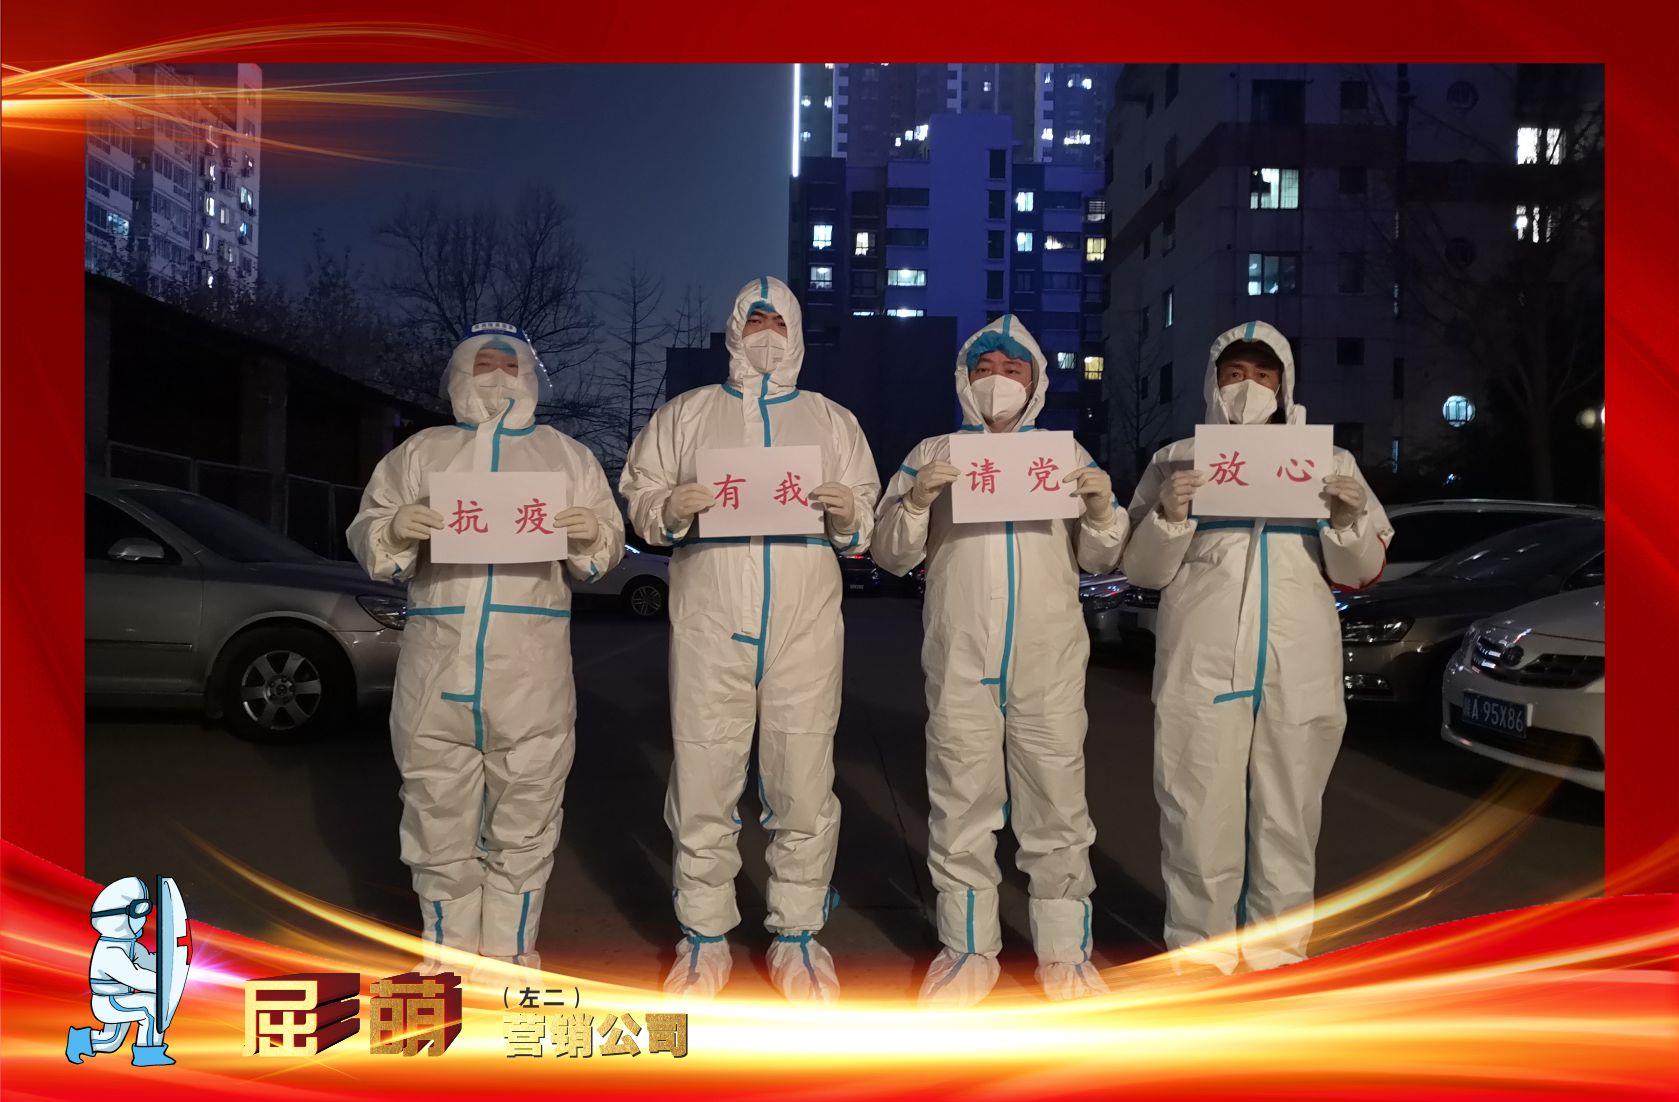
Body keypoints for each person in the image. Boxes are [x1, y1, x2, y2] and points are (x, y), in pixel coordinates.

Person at [620, 276, 879, 1004]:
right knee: (704, 775)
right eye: (754, 319)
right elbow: (640, 495)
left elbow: (866, 513)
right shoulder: (686, 415)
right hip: (710, 621)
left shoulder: (831, 421)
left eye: (778, 321)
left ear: (796, 333)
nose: (766, 332)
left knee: (803, 780)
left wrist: (848, 516)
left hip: (804, 626)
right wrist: (667, 507)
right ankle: (703, 935)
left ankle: (797, 933)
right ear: (734, 330)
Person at [348, 321, 623, 974]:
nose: (497, 376)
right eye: (482, 364)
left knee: (526, 819)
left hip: (530, 674)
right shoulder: (421, 454)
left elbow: (605, 548)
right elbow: (368, 530)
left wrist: (592, 535)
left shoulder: (566, 457)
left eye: (509, 365)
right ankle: (446, 959)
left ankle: (508, 958)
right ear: (457, 375)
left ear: (529, 377)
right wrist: (393, 528)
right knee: (434, 815)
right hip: (436, 669)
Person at [1121, 320, 1391, 975]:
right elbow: (1142, 570)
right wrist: (1167, 516)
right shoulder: (1176, 459)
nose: (1249, 387)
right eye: (1234, 374)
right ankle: (1198, 963)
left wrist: (1348, 520)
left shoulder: (1329, 462)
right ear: (1213, 384)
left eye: (1263, 374)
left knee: (1287, 816)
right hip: (1201, 658)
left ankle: (1277, 960)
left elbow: (1358, 572)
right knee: (1196, 810)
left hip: (1298, 661)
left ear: (1284, 382)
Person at [873, 316, 1127, 1006]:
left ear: (1035, 381)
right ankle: (965, 950)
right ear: (963, 378)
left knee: (1057, 804)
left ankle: (1065, 954)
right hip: (961, 653)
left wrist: (1102, 510)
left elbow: (1101, 556)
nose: (997, 379)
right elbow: (890, 553)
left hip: (1048, 657)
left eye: (1012, 369)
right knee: (960, 801)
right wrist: (916, 500)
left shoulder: (1063, 454)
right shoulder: (933, 452)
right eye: (984, 367)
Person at [65, 877, 172, 1067]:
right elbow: (135, 977)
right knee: (151, 1006)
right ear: (117, 917)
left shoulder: (129, 945)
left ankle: (79, 1040)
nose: (142, 919)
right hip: (108, 1002)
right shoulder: (110, 950)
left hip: (120, 999)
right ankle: (148, 1054)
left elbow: (148, 961)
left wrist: (168, 958)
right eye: (138, 911)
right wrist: (166, 983)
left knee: (110, 1042)